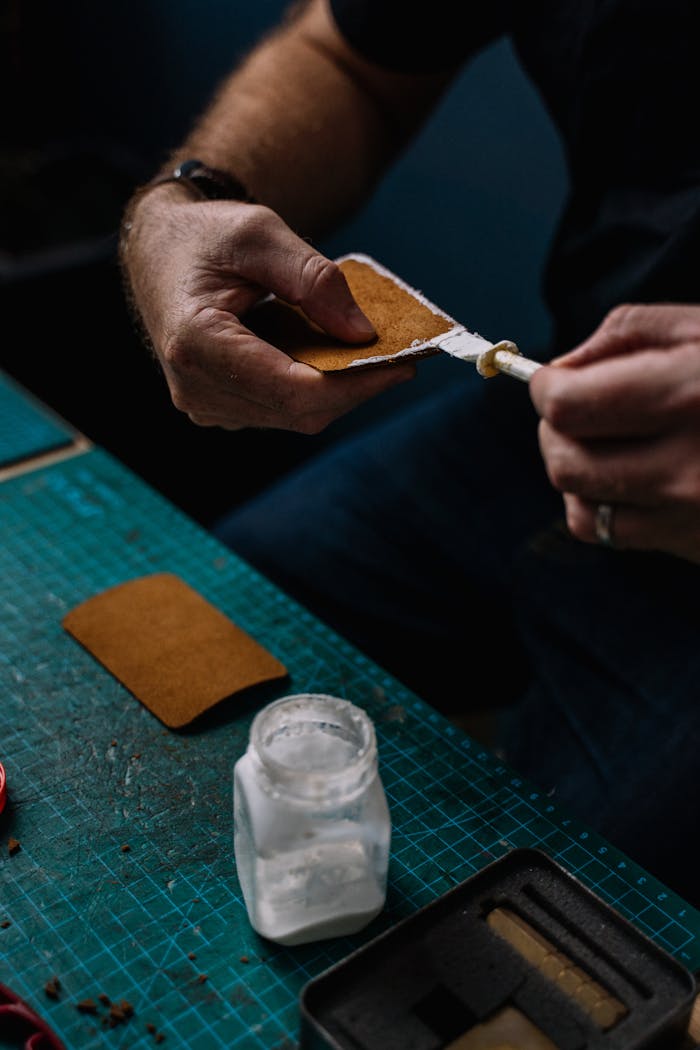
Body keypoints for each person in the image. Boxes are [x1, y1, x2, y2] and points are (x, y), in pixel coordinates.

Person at [119, 0, 700, 907]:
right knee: (187, 630)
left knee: (577, 929)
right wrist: (186, 202)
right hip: (553, 419)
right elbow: (348, 57)